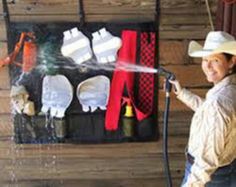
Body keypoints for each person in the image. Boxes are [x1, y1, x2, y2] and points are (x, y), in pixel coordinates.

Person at [169, 31, 236, 187]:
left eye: (215, 60)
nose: (208, 66)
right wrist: (182, 93)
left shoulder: (218, 102)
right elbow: (210, 112)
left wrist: (191, 184)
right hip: (227, 170)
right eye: (205, 59)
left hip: (209, 177)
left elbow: (207, 160)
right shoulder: (230, 90)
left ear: (231, 61)